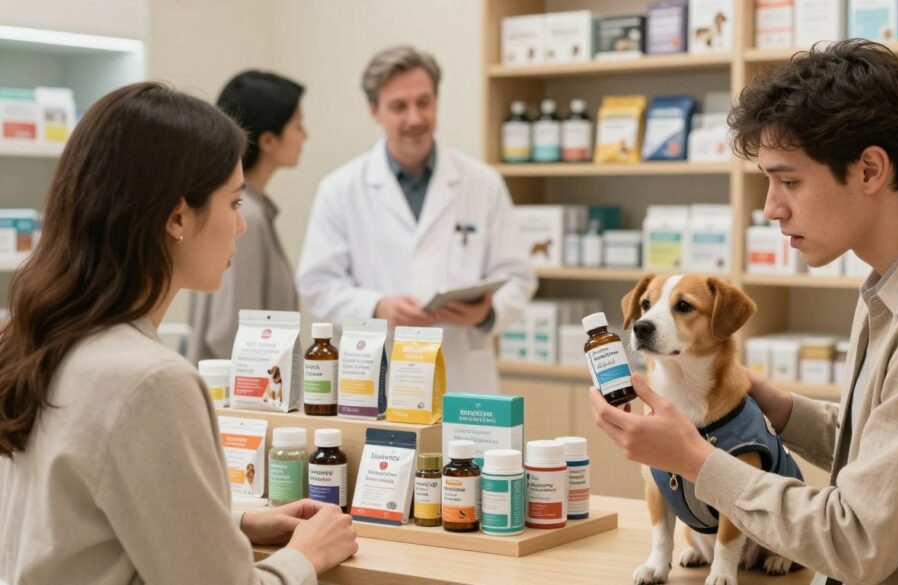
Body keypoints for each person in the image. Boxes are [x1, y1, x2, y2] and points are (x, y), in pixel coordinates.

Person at [589, 40, 898, 585]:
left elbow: (856, 540)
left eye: (788, 180)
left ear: (869, 169)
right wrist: (773, 408)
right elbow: (889, 443)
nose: (771, 207)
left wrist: (696, 461)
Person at [0, 83, 356, 584]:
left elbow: (76, 522)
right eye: (233, 203)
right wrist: (307, 556)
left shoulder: (41, 341)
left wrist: (233, 523)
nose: (241, 227)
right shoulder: (150, 380)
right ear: (177, 216)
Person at [295, 45, 537, 394]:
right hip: (379, 374)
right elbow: (317, 283)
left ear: (437, 102)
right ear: (374, 110)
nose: (415, 118)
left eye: (424, 102)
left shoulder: (483, 183)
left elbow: (518, 276)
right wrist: (376, 306)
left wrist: (484, 314)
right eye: (399, 106)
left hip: (461, 375)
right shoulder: (340, 189)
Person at [188, 70, 307, 363]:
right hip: (243, 400)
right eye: (298, 126)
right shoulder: (247, 218)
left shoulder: (250, 210)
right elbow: (230, 333)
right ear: (268, 140)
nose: (305, 136)